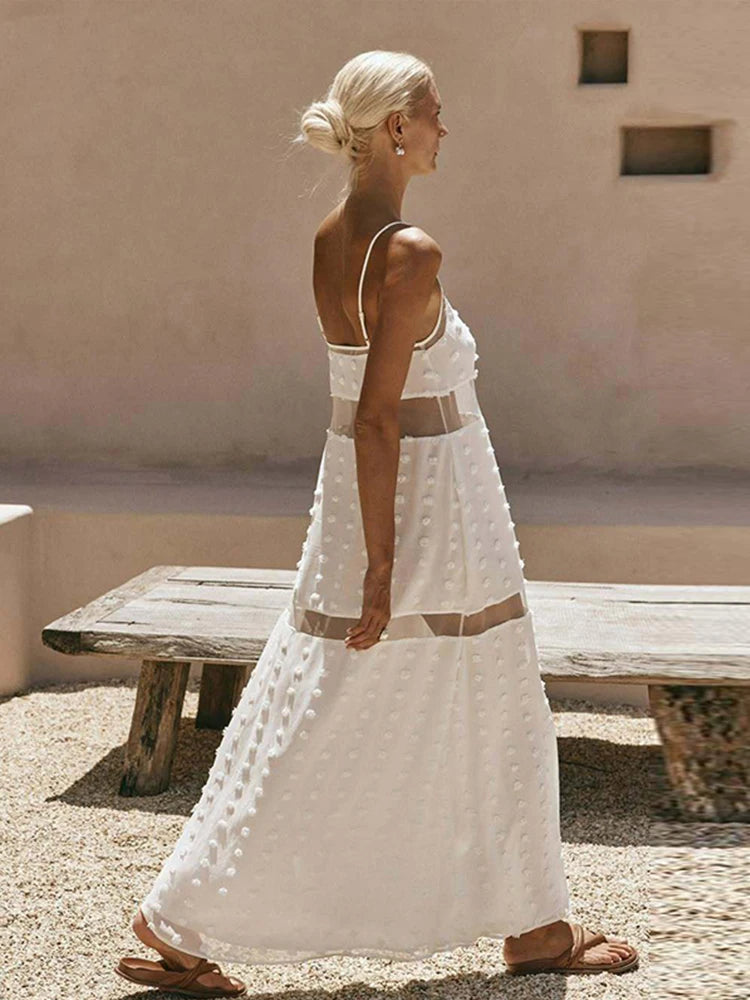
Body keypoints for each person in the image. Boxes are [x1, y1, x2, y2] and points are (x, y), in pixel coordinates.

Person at [116, 50, 639, 996]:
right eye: (434, 111)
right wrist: (383, 563)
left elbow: (360, 409)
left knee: (320, 693)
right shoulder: (410, 252)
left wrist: (370, 554)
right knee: (487, 694)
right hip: (426, 508)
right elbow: (376, 412)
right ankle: (533, 927)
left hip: (371, 502)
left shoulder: (328, 236)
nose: (447, 126)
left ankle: (185, 915)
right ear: (397, 127)